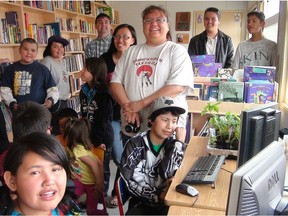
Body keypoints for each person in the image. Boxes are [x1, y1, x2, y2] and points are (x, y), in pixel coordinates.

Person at [110, 5, 193, 143]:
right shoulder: (131, 51)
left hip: (165, 130)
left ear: (167, 25)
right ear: (143, 26)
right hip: (133, 126)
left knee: (165, 164)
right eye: (148, 20)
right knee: (132, 163)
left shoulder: (177, 51)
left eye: (159, 20)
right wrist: (129, 108)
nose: (154, 24)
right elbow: (115, 82)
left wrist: (141, 104)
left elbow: (176, 87)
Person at [120, 96, 187, 215]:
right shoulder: (135, 145)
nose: (169, 126)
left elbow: (169, 174)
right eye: (165, 120)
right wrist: (158, 195)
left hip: (168, 201)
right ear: (151, 120)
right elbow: (130, 182)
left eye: (174, 121)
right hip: (142, 203)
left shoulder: (173, 144)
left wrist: (179, 143)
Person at [100, 23, 137, 207]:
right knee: (120, 155)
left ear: (133, 40)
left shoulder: (137, 59)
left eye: (125, 36)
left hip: (134, 115)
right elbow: (98, 85)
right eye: (117, 36)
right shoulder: (104, 59)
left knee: (128, 157)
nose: (120, 40)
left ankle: (119, 192)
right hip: (111, 115)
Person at [0, 132, 72, 215]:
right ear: (12, 181)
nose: (49, 181)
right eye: (35, 172)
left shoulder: (67, 207)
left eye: (55, 169)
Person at [80, 57, 114, 199]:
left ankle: (102, 196)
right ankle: (92, 194)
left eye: (86, 69)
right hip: (88, 135)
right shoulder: (84, 90)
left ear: (95, 72)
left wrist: (98, 140)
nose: (82, 71)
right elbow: (83, 113)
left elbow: (103, 120)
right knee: (90, 167)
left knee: (102, 168)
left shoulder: (104, 94)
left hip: (102, 138)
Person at [0, 38, 59, 112]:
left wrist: (50, 100)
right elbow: (4, 89)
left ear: (36, 53)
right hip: (19, 112)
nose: (29, 53)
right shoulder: (10, 69)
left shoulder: (43, 69)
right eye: (25, 49)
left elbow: (53, 89)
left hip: (39, 111)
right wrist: (12, 103)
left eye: (33, 50)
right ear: (19, 50)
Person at [63, 118, 107, 215]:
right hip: (79, 180)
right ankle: (74, 210)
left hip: (91, 183)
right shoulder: (71, 148)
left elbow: (95, 164)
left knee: (92, 210)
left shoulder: (78, 150)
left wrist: (99, 184)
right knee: (71, 199)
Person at [40, 35, 70, 135]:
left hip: (63, 100)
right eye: (56, 46)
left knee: (63, 130)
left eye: (61, 47)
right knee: (56, 130)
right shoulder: (47, 61)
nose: (59, 49)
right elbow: (42, 82)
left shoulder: (61, 61)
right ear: (49, 48)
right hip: (55, 103)